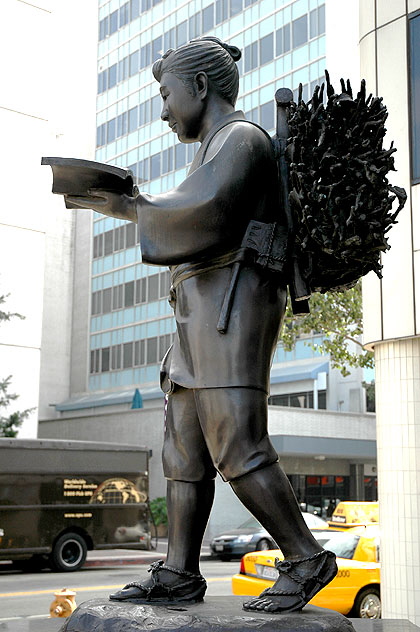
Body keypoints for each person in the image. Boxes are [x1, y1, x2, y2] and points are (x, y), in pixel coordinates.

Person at [67, 36, 337, 614]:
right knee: (183, 450)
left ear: (199, 86)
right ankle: (178, 571)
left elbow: (205, 211)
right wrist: (126, 205)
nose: (163, 110)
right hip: (198, 318)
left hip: (232, 311)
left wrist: (132, 203)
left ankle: (306, 557)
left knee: (237, 442)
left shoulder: (243, 141)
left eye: (166, 96)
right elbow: (189, 205)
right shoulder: (213, 147)